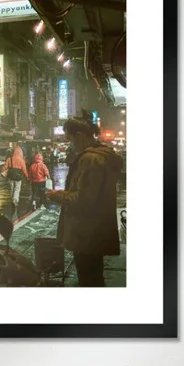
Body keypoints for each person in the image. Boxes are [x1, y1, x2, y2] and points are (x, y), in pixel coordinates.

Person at [55, 116, 121, 286]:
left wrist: (58, 196)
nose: (70, 144)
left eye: (69, 139)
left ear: (79, 136)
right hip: (95, 230)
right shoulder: (101, 156)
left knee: (89, 279)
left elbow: (84, 199)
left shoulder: (90, 159)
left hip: (86, 232)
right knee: (94, 277)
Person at [0, 141, 29, 214]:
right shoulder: (21, 160)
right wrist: (27, 177)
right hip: (18, 177)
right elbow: (24, 170)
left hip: (10, 176)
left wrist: (2, 173)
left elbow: (5, 167)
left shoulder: (9, 159)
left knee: (12, 188)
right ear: (21, 153)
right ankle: (15, 200)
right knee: (17, 189)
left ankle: (12, 199)